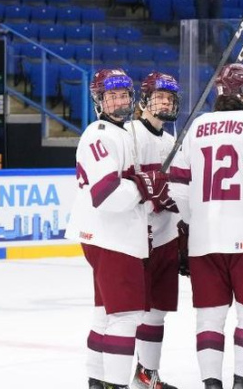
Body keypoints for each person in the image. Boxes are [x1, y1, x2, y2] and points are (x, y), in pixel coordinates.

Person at [169, 63, 243, 389]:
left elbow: (177, 187)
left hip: (205, 241)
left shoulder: (197, 126)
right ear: (242, 93)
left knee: (209, 319)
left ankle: (211, 385)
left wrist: (196, 221)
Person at [65, 69, 170, 389]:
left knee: (105, 314)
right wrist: (145, 187)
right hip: (112, 238)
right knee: (126, 317)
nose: (119, 100)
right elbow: (107, 195)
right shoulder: (100, 134)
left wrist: (148, 190)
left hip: (110, 236)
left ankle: (97, 381)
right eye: (111, 95)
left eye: (123, 94)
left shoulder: (121, 132)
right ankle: (115, 384)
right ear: (98, 100)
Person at [126, 72, 183, 389]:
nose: (165, 102)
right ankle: (113, 377)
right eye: (159, 97)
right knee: (129, 313)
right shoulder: (131, 134)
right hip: (137, 238)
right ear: (145, 101)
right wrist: (148, 190)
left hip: (166, 238)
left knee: (158, 312)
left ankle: (147, 373)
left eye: (170, 98)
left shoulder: (172, 141)